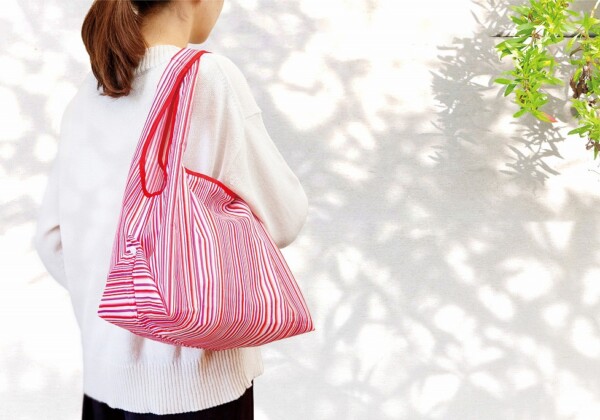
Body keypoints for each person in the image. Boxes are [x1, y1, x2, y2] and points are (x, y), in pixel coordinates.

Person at [32, 0, 309, 418]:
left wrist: (126, 303)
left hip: (103, 385)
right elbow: (285, 218)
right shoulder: (207, 76)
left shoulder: (89, 94)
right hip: (197, 388)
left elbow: (52, 239)